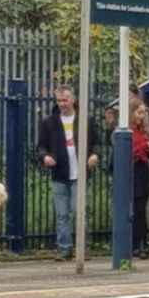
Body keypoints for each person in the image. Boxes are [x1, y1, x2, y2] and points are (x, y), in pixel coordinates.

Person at [37, 86, 102, 261]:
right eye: (59, 101)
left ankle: (83, 247)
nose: (62, 104)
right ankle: (65, 249)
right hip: (60, 173)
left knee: (80, 210)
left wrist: (94, 155)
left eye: (65, 100)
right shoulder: (49, 122)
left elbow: (96, 142)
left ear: (73, 100)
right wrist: (45, 157)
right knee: (62, 214)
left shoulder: (85, 120)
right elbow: (41, 145)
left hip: (80, 173)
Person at [130, 100, 149, 259]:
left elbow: (147, 154)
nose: (141, 116)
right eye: (139, 112)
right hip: (132, 169)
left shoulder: (143, 131)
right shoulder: (127, 131)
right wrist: (145, 147)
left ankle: (141, 242)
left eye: (143, 113)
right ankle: (134, 242)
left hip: (142, 169)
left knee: (141, 210)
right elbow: (129, 151)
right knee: (134, 209)